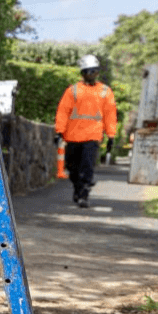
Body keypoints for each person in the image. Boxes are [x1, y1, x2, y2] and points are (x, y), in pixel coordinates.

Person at [55, 54, 119, 209]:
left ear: (97, 72)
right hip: (73, 136)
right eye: (88, 71)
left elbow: (110, 114)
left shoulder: (105, 91)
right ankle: (78, 188)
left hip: (92, 136)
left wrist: (111, 135)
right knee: (72, 167)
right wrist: (59, 131)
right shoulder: (73, 90)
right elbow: (63, 111)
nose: (91, 75)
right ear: (83, 73)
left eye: (94, 71)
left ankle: (83, 194)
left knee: (87, 166)